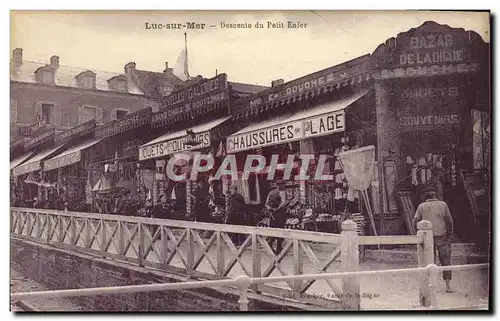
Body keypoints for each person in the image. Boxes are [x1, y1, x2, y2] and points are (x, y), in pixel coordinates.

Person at [412, 189, 455, 293]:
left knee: (429, 262)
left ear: (425, 197)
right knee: (446, 262)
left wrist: (418, 233)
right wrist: (450, 235)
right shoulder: (443, 205)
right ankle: (448, 286)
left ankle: (431, 286)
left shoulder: (421, 206)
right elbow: (449, 221)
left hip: (427, 238)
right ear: (435, 195)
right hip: (443, 237)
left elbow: (415, 221)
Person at [265, 180, 288, 254]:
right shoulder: (282, 192)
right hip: (280, 214)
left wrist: (270, 209)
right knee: (280, 229)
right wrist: (276, 209)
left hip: (272, 214)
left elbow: (266, 204)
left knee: (273, 229)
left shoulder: (271, 192)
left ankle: (271, 244)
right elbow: (283, 203)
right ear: (280, 185)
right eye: (283, 184)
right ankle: (278, 248)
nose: (284, 186)